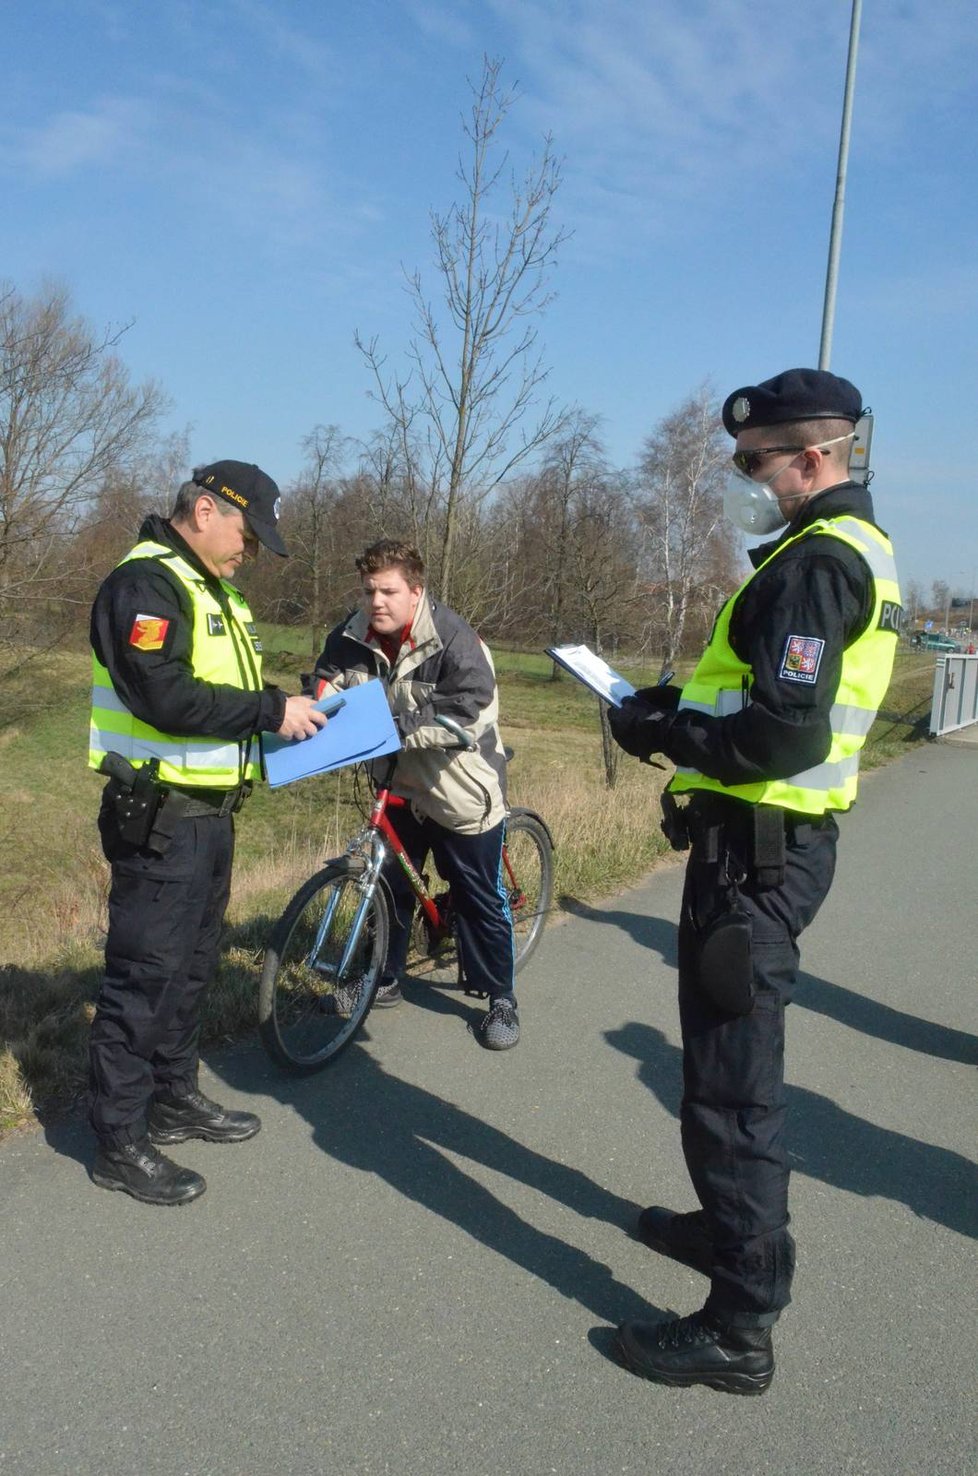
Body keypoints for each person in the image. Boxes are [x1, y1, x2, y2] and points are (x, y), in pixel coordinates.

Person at [607, 369, 902, 1394]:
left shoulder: (819, 565)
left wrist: (662, 731)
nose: (739, 480)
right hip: (757, 849)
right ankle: (727, 1234)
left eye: (751, 462)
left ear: (810, 460)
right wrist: (671, 704)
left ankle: (741, 1325)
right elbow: (757, 689)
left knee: (735, 1090)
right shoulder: (827, 555)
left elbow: (781, 731)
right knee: (717, 1070)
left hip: (758, 859)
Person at [88, 460, 326, 1206]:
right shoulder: (146, 584)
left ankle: (173, 1095)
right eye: (246, 534)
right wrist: (268, 710)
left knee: (190, 968)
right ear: (203, 509)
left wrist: (297, 704)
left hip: (210, 817)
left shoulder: (210, 588)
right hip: (161, 818)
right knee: (143, 979)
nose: (248, 552)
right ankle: (119, 1139)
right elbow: (164, 694)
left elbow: (228, 689)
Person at [309, 539, 519, 1051]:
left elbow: (467, 710)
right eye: (368, 591)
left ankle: (502, 999)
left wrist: (388, 727)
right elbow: (326, 681)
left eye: (388, 591)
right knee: (389, 885)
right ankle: (382, 976)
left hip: (458, 787)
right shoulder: (350, 634)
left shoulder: (453, 639)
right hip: (396, 783)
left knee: (478, 895)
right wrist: (317, 713)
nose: (375, 601)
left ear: (415, 591)